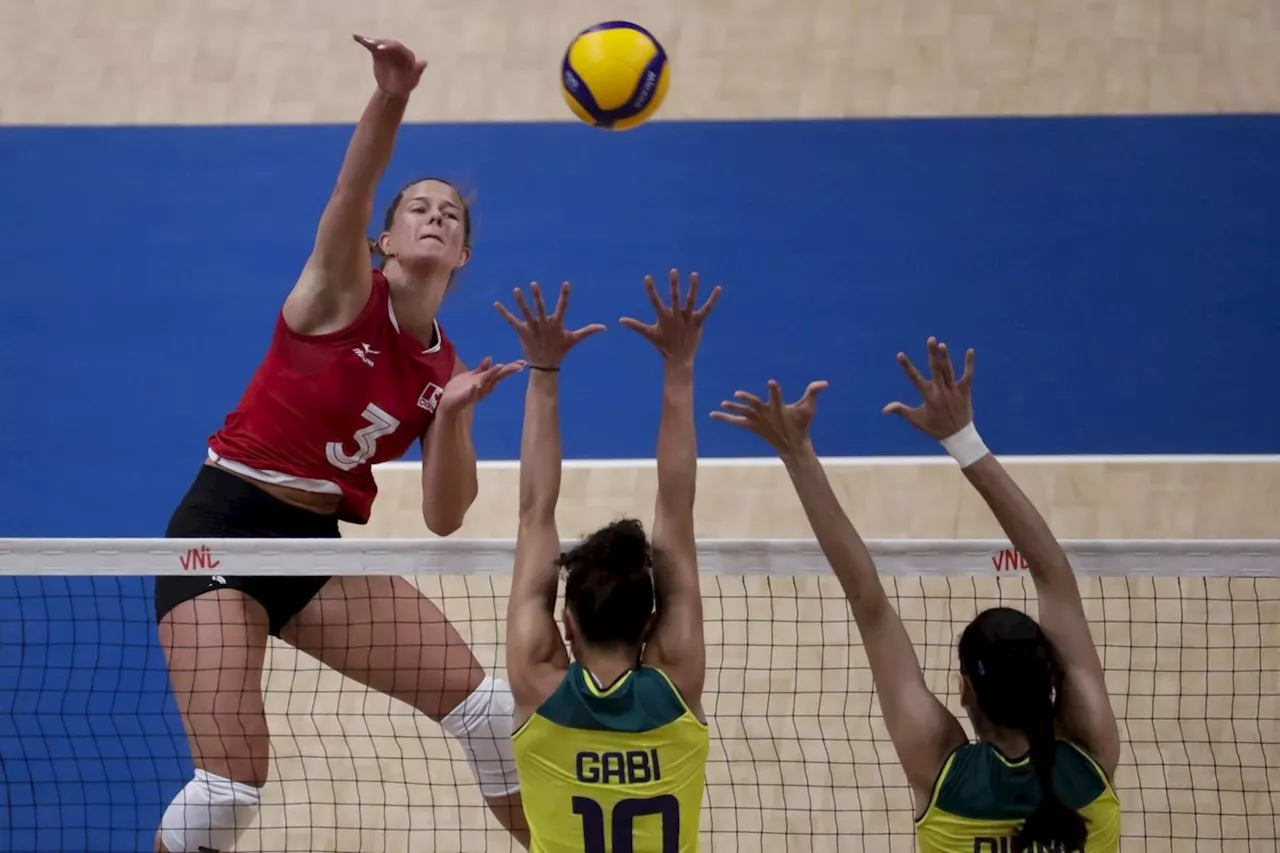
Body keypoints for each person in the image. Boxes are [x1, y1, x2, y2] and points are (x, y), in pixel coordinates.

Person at [152, 35, 528, 853]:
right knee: (231, 785)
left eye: (450, 215)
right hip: (222, 530)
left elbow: (444, 517)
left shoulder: (444, 366)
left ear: (461, 255)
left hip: (313, 549)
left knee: (489, 710)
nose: (434, 216)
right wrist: (391, 95)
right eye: (417, 209)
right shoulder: (337, 289)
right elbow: (350, 191)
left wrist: (455, 414)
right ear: (385, 240)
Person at [711, 337, 1122, 853]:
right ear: (1052, 681)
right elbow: (1053, 574)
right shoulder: (1090, 755)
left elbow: (867, 600)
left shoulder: (943, 771)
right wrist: (964, 440)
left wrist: (797, 454)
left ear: (965, 690)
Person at [497, 272, 720, 853]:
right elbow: (678, 509)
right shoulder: (677, 681)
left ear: (564, 621)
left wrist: (542, 374)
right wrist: (681, 368)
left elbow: (533, 512)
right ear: (650, 622)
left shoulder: (538, 683)